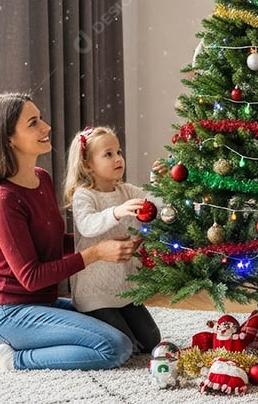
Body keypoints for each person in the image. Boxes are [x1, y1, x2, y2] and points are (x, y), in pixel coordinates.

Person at [0, 93, 141, 372]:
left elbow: (52, 243)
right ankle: (10, 359)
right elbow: (31, 277)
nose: (46, 127)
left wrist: (108, 242)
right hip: (8, 313)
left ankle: (36, 344)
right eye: (33, 123)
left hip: (43, 304)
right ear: (9, 138)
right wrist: (95, 253)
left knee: (130, 336)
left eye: (41, 119)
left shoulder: (41, 179)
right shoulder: (3, 200)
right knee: (114, 347)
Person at [62, 126, 161, 354]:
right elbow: (87, 225)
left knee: (152, 341)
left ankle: (114, 321)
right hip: (95, 294)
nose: (118, 158)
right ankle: (85, 321)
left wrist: (157, 182)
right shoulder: (84, 195)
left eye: (118, 152)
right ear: (88, 164)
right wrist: (117, 212)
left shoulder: (126, 191)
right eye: (108, 154)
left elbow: (154, 205)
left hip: (124, 289)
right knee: (125, 345)